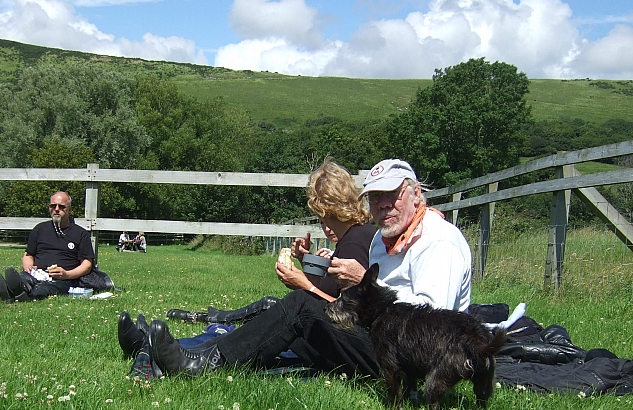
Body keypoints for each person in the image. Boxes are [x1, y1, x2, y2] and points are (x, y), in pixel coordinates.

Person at [147, 158, 472, 377]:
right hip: (383, 339)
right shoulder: (382, 241)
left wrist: (362, 286)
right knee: (294, 327)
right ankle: (187, 351)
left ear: (416, 194)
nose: (383, 205)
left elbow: (436, 323)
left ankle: (203, 364)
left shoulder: (438, 241)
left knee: (302, 308)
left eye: (393, 194)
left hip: (414, 360)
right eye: (375, 198)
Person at [164, 160, 376, 324]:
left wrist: (302, 285)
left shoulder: (355, 243)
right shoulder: (355, 235)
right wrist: (305, 260)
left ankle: (210, 326)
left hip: (337, 330)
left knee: (275, 306)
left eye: (321, 217)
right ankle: (214, 317)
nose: (323, 226)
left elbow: (346, 314)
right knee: (269, 306)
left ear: (324, 209)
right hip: (330, 320)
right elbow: (330, 289)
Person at [0, 191, 96, 302]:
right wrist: (28, 267)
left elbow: (87, 265)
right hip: (37, 273)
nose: (56, 209)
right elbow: (28, 255)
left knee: (44, 289)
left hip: (63, 279)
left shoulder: (80, 234)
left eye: (61, 207)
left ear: (69, 209)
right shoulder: (39, 229)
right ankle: (15, 290)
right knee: (24, 278)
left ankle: (17, 295)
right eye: (53, 206)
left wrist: (67, 274)